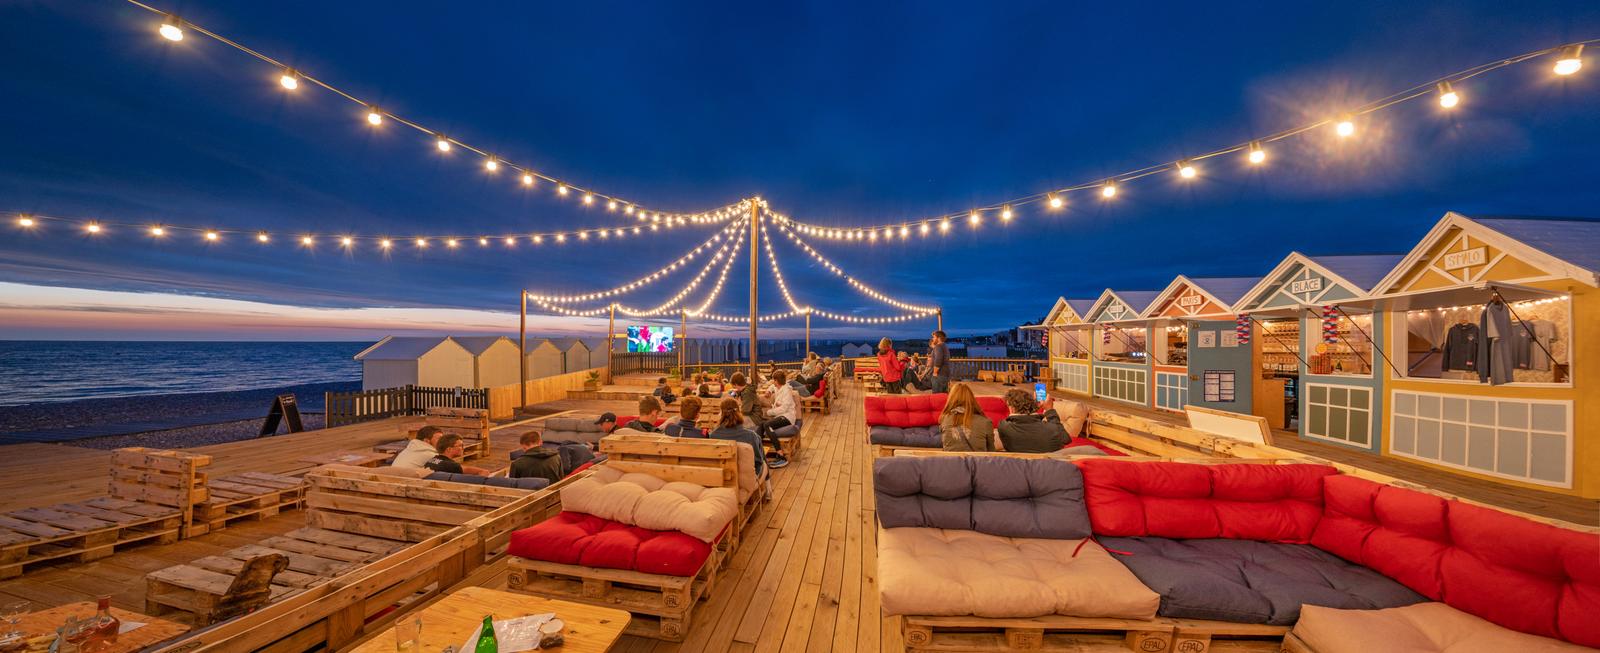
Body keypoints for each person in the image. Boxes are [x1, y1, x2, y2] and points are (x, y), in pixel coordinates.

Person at [730, 372, 788, 467]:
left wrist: (737, 406)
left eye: (734, 386)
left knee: (734, 424)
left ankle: (739, 450)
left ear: (736, 384)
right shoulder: (745, 390)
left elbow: (745, 411)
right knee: (733, 422)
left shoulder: (747, 393)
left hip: (753, 418)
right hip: (754, 416)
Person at [995, 388, 1070, 453]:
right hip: (1047, 467)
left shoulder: (1004, 427)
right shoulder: (1051, 429)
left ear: (1011, 407)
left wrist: (1033, 409)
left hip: (1018, 467)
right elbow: (1066, 439)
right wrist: (1049, 410)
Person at [709, 397, 770, 474]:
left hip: (722, 477)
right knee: (763, 462)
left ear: (721, 413)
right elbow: (758, 462)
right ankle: (768, 484)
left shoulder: (713, 436)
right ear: (739, 412)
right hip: (746, 479)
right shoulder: (752, 436)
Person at [939, 383, 998, 451]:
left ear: (951, 400)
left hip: (952, 461)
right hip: (978, 461)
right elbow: (991, 452)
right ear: (971, 399)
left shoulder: (944, 419)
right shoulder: (986, 422)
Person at [423, 434, 492, 475]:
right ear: (449, 449)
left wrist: (481, 471)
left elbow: (464, 468)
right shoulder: (451, 466)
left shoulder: (431, 460)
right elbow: (458, 468)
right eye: (460, 446)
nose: (463, 448)